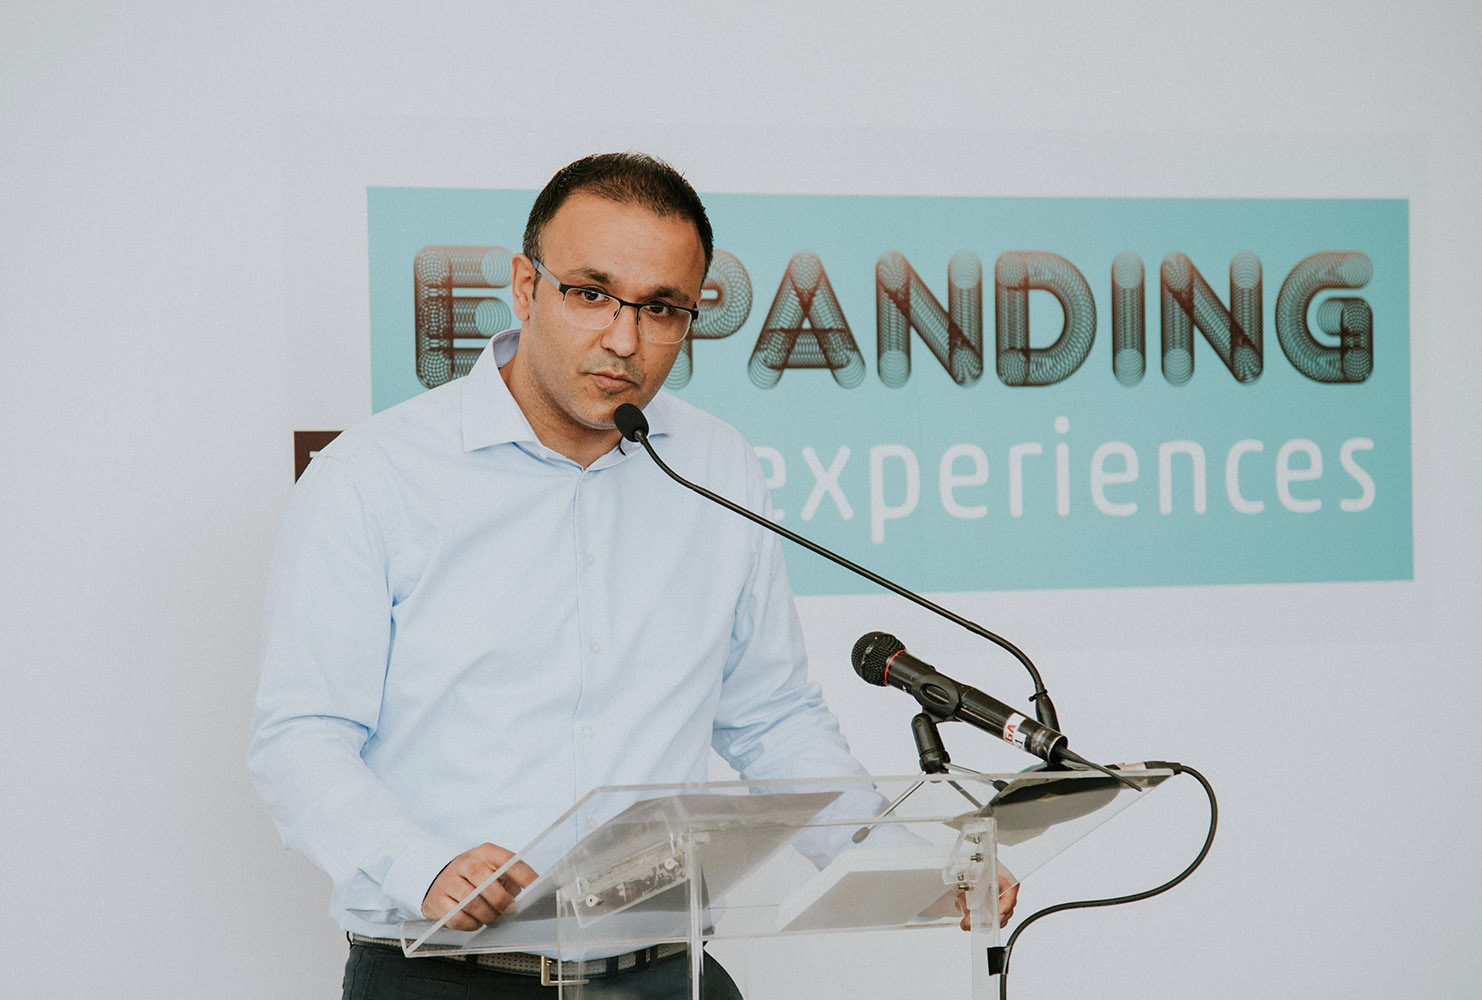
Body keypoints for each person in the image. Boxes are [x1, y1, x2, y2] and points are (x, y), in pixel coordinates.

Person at [249, 152, 1014, 999]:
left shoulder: (716, 465)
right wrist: (421, 864)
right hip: (443, 976)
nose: (625, 339)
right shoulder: (373, 476)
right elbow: (301, 739)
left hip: (667, 973)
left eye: (661, 308)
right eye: (591, 294)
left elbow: (773, 719)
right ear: (526, 287)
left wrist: (910, 865)